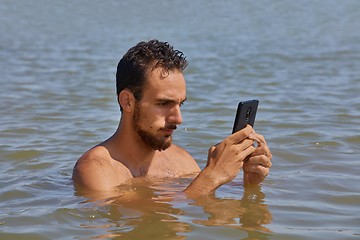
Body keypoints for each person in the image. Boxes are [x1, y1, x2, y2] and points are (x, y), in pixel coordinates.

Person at [72, 39, 272, 198]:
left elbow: (201, 204)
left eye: (180, 104)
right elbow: (135, 213)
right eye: (163, 104)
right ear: (128, 101)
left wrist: (249, 183)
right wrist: (212, 176)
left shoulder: (181, 161)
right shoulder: (95, 169)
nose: (178, 118)